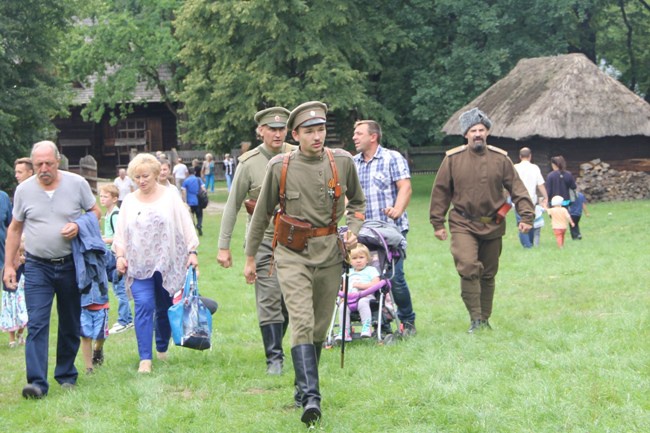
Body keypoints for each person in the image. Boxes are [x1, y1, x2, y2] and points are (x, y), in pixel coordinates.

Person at [244, 101, 365, 426]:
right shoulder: (280, 167)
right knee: (300, 319)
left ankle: (302, 385)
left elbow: (357, 203)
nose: (316, 136)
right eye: (309, 131)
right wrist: (250, 256)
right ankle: (312, 397)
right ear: (295, 135)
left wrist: (352, 231)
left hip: (329, 253)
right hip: (291, 252)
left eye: (321, 129)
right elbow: (261, 217)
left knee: (320, 326)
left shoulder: (341, 162)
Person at [3, 140, 101, 399]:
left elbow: (95, 212)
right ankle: (36, 383)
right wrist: (9, 265)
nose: (43, 169)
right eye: (38, 165)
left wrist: (79, 225)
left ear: (58, 161)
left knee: (69, 321)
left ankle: (66, 374)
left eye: (48, 163)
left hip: (70, 264)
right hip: (37, 266)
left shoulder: (77, 183)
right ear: (33, 165)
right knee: (37, 323)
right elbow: (14, 228)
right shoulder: (24, 190)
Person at [429, 108, 534, 334]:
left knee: (488, 273)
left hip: (494, 223)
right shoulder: (452, 159)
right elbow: (440, 192)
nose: (478, 134)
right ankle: (475, 318)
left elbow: (517, 189)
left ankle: (484, 319)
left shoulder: (500, 159)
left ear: (487, 132)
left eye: (482, 130)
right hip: (462, 223)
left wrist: (526, 216)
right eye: (473, 130)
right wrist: (437, 223)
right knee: (468, 266)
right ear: (466, 134)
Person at [217, 106, 295, 375]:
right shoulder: (248, 163)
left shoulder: (297, 156)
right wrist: (223, 246)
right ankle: (274, 358)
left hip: (295, 241)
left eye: (281, 129)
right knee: (269, 297)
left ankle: (280, 342)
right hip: (263, 240)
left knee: (289, 301)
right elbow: (232, 205)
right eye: (271, 129)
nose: (277, 133)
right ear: (260, 131)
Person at [112, 153, 199, 374]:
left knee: (164, 307)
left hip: (167, 262)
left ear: (156, 174)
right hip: (138, 264)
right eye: (137, 177)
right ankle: (145, 359)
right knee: (143, 305)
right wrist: (120, 256)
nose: (142, 181)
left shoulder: (170, 197)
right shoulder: (130, 201)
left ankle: (161, 347)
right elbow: (120, 233)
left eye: (145, 176)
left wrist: (192, 251)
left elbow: (185, 224)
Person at [352, 119, 417, 335]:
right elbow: (347, 194)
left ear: (373, 137)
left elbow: (405, 187)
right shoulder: (353, 163)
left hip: (391, 230)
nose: (354, 137)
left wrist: (397, 209)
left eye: (359, 133)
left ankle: (407, 320)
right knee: (370, 276)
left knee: (394, 278)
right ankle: (383, 321)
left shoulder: (392, 158)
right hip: (363, 232)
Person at [99, 184, 133, 334]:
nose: (102, 199)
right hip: (109, 256)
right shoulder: (108, 214)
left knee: (120, 289)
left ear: (114, 199)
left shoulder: (115, 215)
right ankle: (127, 318)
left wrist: (103, 240)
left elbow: (119, 236)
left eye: (105, 196)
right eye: (101, 196)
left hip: (115, 256)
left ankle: (124, 320)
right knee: (116, 287)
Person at [335, 243, 379, 342]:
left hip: (366, 297)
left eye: (361, 257)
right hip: (350, 299)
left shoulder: (371, 270)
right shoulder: (347, 273)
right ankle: (344, 332)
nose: (358, 260)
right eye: (354, 258)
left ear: (367, 259)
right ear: (349, 261)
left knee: (362, 302)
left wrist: (362, 286)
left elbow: (376, 283)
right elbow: (344, 288)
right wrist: (343, 296)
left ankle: (366, 327)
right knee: (342, 307)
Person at [513, 147, 548, 248]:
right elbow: (540, 184)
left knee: (521, 221)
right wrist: (546, 197)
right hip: (531, 200)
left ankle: (527, 245)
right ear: (530, 156)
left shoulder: (515, 167)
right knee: (530, 220)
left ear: (520, 156)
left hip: (518, 200)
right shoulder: (535, 168)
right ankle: (530, 243)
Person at [79, 280, 109, 374]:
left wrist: (118, 274)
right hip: (83, 305)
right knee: (86, 336)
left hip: (101, 304)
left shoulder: (102, 264)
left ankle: (97, 349)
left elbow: (111, 272)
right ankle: (89, 368)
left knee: (101, 335)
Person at [182, 166, 206, 236]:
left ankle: (192, 227)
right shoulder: (198, 179)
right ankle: (199, 224)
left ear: (188, 173)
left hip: (190, 201)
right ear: (195, 172)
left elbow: (183, 191)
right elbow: (203, 188)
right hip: (198, 201)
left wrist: (184, 200)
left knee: (191, 215)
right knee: (199, 215)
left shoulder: (186, 181)